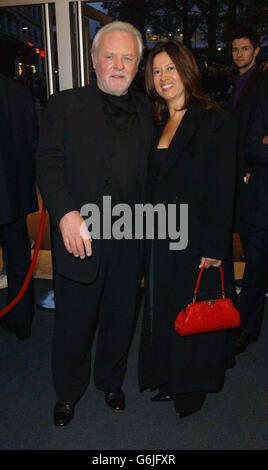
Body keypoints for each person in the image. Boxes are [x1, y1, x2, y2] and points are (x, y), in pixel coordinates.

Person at [36, 21, 154, 427]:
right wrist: (66, 213)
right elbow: (48, 162)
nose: (118, 65)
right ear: (93, 60)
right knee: (74, 323)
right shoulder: (64, 105)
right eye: (110, 56)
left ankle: (111, 382)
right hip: (80, 236)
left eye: (127, 58)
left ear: (137, 65)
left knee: (121, 317)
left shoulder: (148, 109)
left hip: (131, 235)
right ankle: (68, 393)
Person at [138, 40, 236, 418]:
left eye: (170, 69)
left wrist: (214, 246)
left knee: (196, 310)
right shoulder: (158, 119)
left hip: (198, 239)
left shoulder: (215, 120)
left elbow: (222, 188)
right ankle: (168, 377)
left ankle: (191, 388)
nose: (164, 77)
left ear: (186, 70)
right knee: (166, 310)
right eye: (157, 71)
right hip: (162, 237)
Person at [229, 26, 266, 353]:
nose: (239, 54)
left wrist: (251, 169)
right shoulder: (239, 82)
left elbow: (254, 140)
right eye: (235, 49)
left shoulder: (262, 83)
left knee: (256, 257)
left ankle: (247, 326)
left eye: (245, 49)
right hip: (243, 181)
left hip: (256, 184)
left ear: (256, 50)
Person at [0, 73, 38, 340]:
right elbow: (32, 145)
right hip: (13, 196)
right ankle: (22, 321)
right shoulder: (20, 92)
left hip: (12, 195)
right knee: (18, 261)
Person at [236, 75, 268, 352]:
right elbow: (254, 146)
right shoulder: (264, 85)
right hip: (262, 199)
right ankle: (246, 327)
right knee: (256, 265)